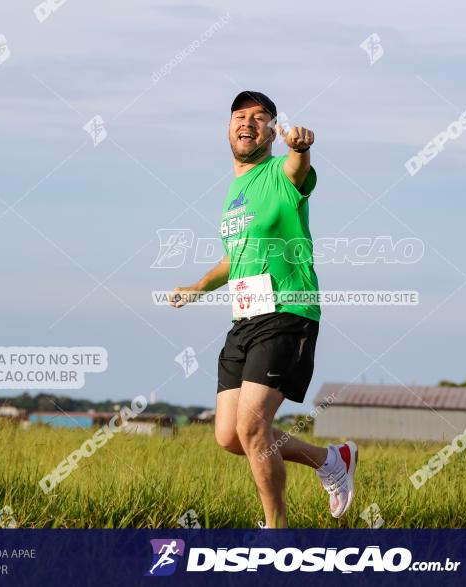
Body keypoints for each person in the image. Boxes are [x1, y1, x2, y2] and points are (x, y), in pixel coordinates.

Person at [169, 91, 357, 528]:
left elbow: (298, 169)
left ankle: (277, 533)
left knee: (254, 429)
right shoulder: (234, 193)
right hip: (244, 319)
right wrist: (197, 287)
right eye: (239, 116)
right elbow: (233, 257)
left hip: (287, 313)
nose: (247, 123)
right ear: (228, 127)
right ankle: (332, 459)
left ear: (272, 129)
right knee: (231, 437)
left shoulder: (281, 172)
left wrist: (301, 148)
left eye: (259, 117)